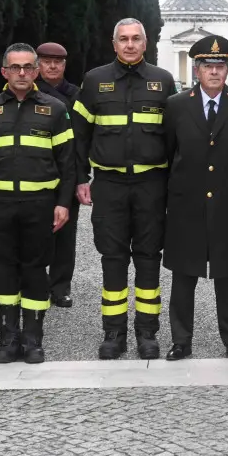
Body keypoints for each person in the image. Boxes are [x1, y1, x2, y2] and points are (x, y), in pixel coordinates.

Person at [71, 19, 176, 360]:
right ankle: (113, 332)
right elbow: (79, 135)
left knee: (148, 258)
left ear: (145, 44)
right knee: (112, 259)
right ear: (113, 44)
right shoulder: (94, 80)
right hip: (110, 185)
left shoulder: (162, 81)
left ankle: (147, 332)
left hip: (151, 184)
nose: (129, 45)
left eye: (136, 39)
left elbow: (175, 138)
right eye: (123, 39)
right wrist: (79, 178)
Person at [0, 43, 77, 365]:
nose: (22, 73)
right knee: (3, 271)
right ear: (4, 71)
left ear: (36, 71)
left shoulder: (55, 109)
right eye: (15, 67)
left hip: (40, 205)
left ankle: (32, 340)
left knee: (35, 271)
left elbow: (67, 163)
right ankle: (7, 338)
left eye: (29, 67)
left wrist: (63, 203)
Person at [162, 34, 228, 361]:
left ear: (227, 70)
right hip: (187, 204)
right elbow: (169, 154)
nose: (214, 71)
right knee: (184, 276)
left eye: (220, 65)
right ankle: (180, 340)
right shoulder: (176, 105)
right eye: (207, 66)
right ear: (196, 70)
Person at [35, 41, 81, 308]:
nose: (52, 66)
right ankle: (36, 284)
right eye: (47, 61)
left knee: (65, 235)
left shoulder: (76, 95)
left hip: (67, 172)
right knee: (37, 233)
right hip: (38, 172)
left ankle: (61, 286)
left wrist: (80, 177)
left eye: (58, 62)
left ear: (64, 65)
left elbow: (82, 138)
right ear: (38, 64)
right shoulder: (28, 93)